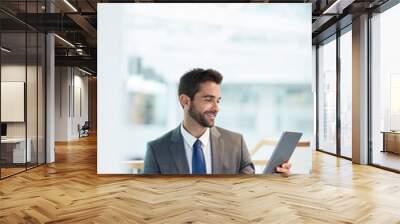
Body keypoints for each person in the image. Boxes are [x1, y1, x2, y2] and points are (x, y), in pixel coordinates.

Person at [143, 68, 291, 175]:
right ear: (185, 101)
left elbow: (249, 191)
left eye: (218, 101)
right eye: (208, 99)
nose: (216, 108)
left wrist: (276, 178)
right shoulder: (157, 150)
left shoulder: (236, 144)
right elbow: (149, 201)